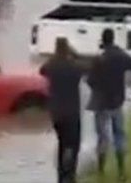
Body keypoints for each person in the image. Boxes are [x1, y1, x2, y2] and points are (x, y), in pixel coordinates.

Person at [87, 29, 131, 181]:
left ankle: (101, 169)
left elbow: (90, 81)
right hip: (117, 102)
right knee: (119, 135)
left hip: (102, 104)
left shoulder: (99, 60)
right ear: (113, 39)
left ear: (102, 40)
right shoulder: (120, 56)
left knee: (102, 137)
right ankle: (121, 171)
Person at [39, 38, 85, 183]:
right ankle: (69, 176)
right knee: (72, 145)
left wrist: (54, 57)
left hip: (56, 114)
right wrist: (75, 54)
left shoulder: (51, 66)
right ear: (68, 49)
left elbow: (42, 70)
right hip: (72, 113)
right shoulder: (74, 66)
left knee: (62, 143)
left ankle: (60, 176)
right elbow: (89, 67)